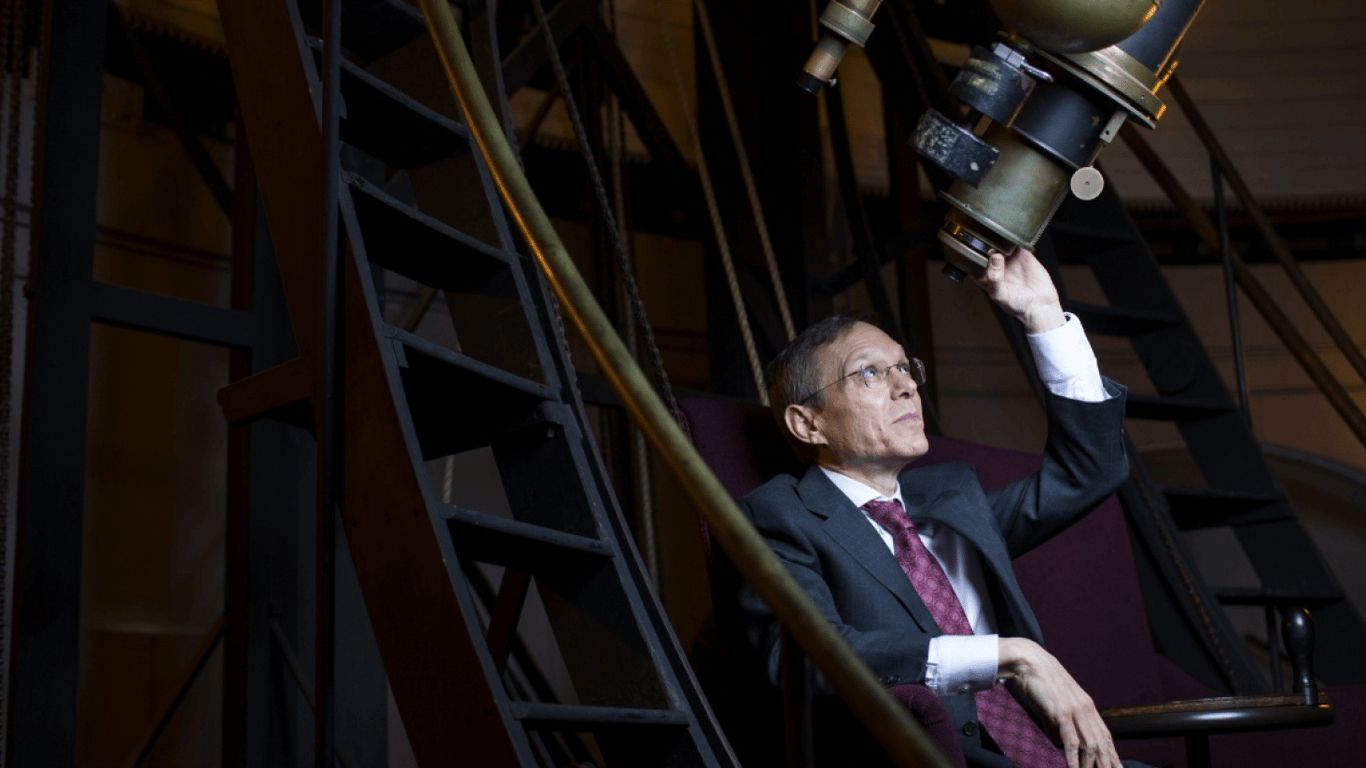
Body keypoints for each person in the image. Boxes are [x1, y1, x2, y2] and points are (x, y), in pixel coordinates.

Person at [733, 248, 1131, 768]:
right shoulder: (781, 514)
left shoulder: (954, 498)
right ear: (808, 424)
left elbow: (1090, 471)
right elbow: (799, 657)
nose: (907, 386)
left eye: (904, 367)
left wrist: (1043, 315)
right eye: (870, 373)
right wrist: (1011, 655)